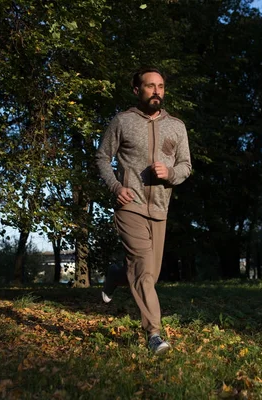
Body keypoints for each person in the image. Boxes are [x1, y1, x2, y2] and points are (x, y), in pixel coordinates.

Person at [95, 67, 192, 354]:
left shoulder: (177, 126)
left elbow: (186, 165)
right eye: (150, 86)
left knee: (148, 274)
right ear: (137, 90)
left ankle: (115, 275)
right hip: (130, 205)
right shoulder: (122, 121)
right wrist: (115, 186)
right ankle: (154, 334)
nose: (156, 91)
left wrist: (171, 173)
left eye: (161, 86)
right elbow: (102, 157)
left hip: (160, 208)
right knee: (143, 272)